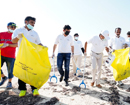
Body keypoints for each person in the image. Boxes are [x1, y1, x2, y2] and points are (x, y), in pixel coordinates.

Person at [12, 16, 43, 97]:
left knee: (33, 72)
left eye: (34, 23)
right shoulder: (18, 30)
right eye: (32, 22)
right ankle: (22, 89)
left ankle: (34, 89)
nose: (33, 24)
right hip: (22, 55)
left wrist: (44, 48)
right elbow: (13, 41)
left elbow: (39, 43)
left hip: (32, 56)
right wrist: (18, 37)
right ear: (26, 22)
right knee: (22, 73)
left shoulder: (35, 33)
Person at [0, 22, 17, 89]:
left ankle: (9, 83)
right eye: (11, 27)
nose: (13, 28)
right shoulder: (1, 34)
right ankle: (3, 77)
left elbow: (17, 44)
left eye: (14, 27)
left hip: (11, 56)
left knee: (10, 70)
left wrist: (8, 45)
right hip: (1, 54)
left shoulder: (16, 36)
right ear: (7, 27)